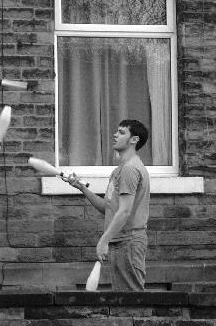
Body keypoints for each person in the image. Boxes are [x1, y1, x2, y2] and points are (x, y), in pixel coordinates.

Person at [64, 120, 151, 291]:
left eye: (121, 132)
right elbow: (108, 207)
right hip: (120, 242)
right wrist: (81, 187)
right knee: (123, 301)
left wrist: (104, 240)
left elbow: (125, 211)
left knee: (132, 301)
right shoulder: (119, 170)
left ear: (134, 140)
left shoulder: (130, 170)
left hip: (129, 242)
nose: (115, 135)